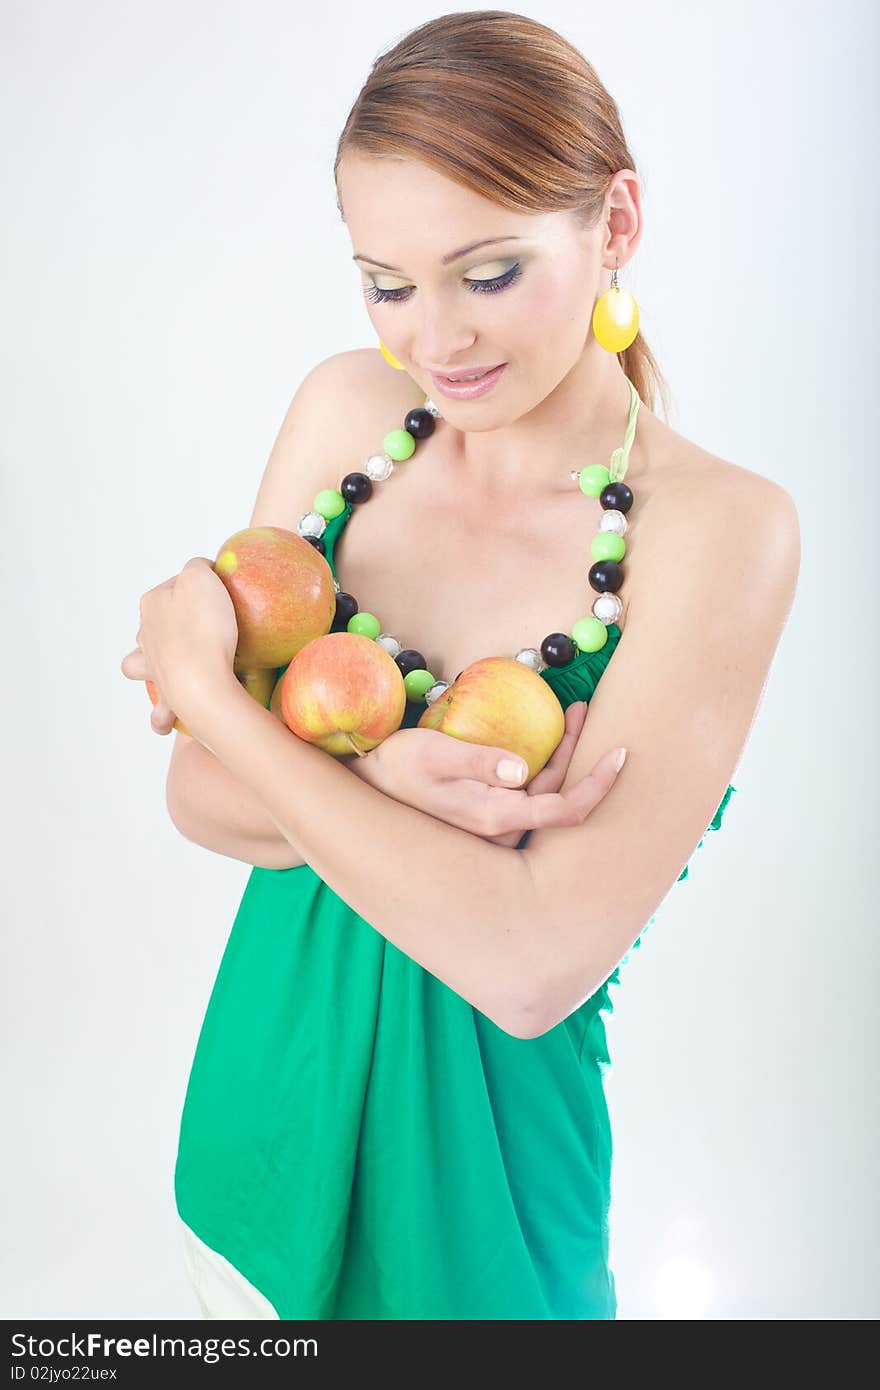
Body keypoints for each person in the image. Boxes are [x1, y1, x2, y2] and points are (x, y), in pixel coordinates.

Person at [121, 12, 799, 1319]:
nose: (433, 339)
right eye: (387, 282)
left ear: (617, 223)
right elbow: (196, 798)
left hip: (487, 1223)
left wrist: (212, 691)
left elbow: (532, 964)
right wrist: (381, 771)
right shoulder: (343, 413)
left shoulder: (720, 530)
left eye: (487, 273)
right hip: (252, 1139)